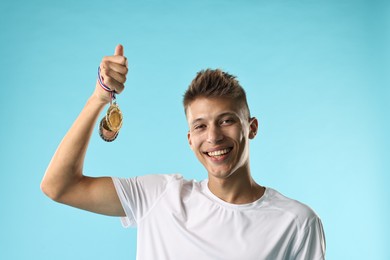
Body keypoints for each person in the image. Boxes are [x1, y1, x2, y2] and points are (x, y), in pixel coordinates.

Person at [41, 44, 326, 259]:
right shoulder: (158, 197)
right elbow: (59, 186)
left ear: (251, 127)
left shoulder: (297, 222)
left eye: (226, 121)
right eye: (200, 126)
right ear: (190, 139)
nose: (213, 137)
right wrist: (99, 98)